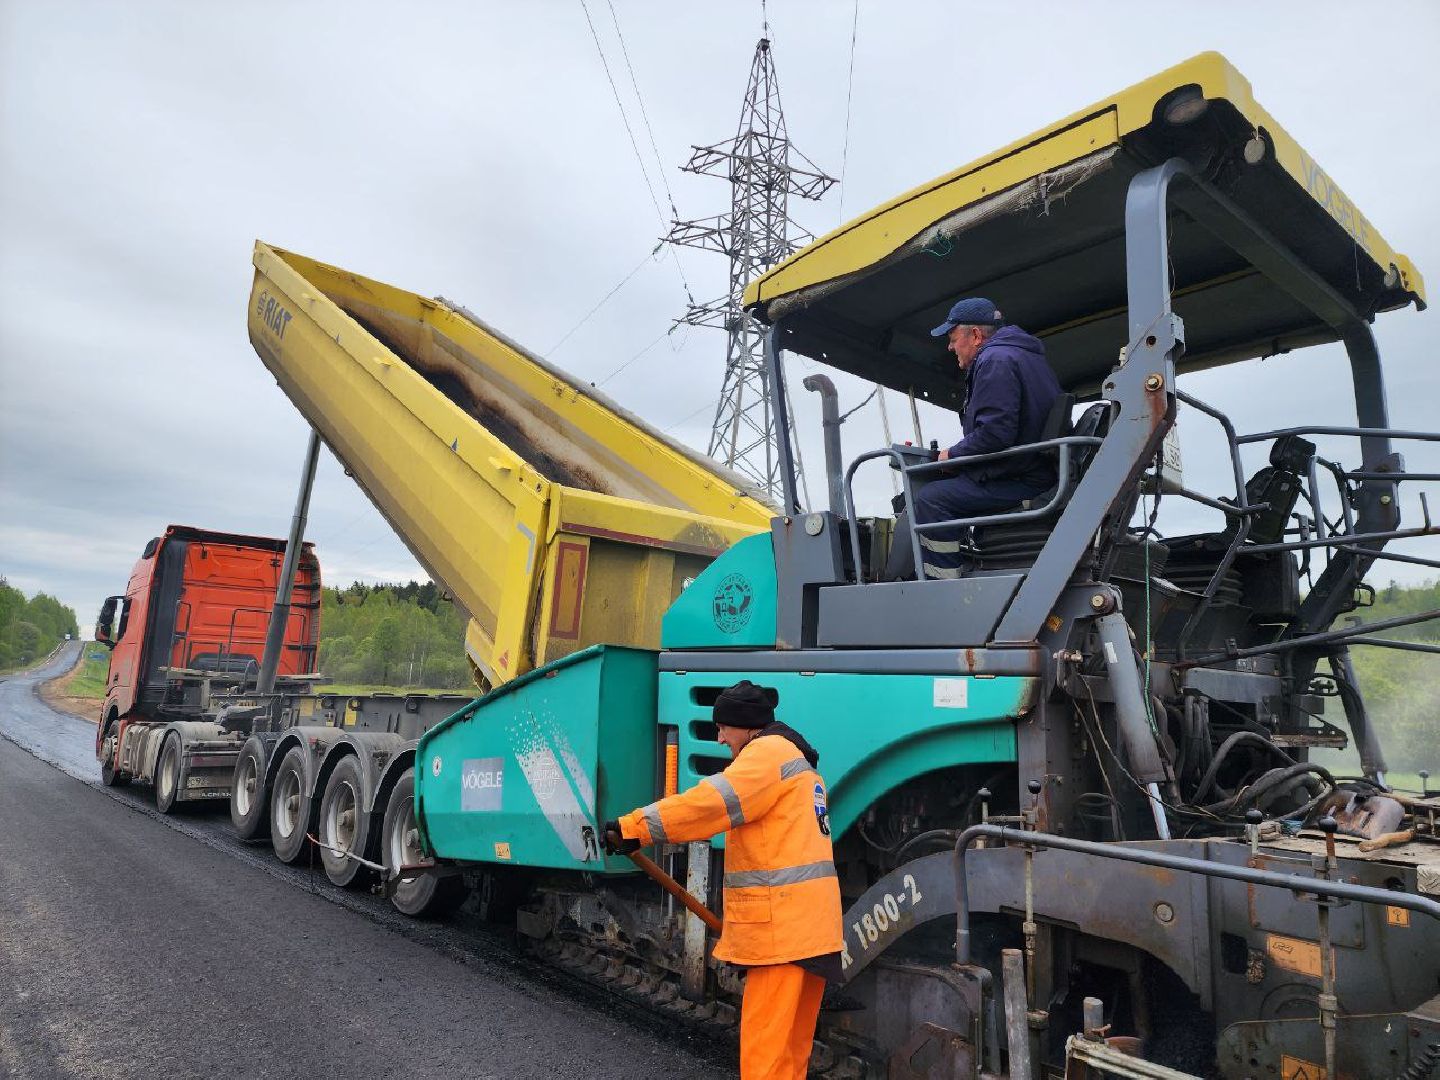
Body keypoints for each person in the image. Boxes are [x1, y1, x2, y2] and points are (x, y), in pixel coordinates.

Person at [603, 680, 842, 1080]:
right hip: (812, 933)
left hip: (782, 937)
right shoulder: (799, 763)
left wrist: (633, 828)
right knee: (789, 1058)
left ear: (744, 725)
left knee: (765, 1061)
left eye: (723, 728)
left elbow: (707, 805)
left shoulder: (766, 755)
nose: (720, 738)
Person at [913, 297, 1063, 578]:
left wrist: (951, 456)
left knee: (931, 499)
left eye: (953, 338)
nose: (950, 347)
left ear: (975, 335)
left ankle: (940, 586)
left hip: (1022, 478)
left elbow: (996, 433)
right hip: (1032, 469)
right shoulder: (1024, 356)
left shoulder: (995, 360)